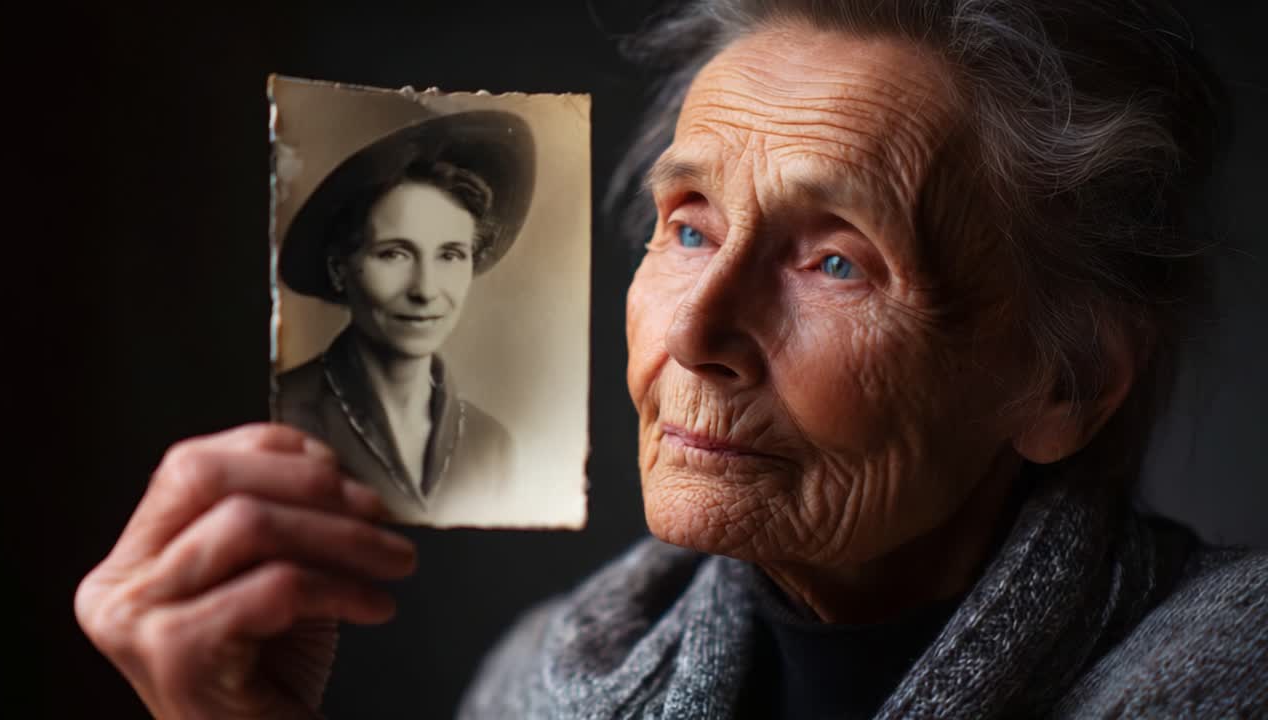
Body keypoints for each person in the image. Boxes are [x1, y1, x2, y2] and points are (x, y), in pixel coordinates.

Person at [75, 1, 1266, 718]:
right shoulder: (538, 682)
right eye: (688, 229)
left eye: (834, 262)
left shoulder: (1230, 675)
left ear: (1062, 383)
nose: (693, 335)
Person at [274, 110, 535, 523]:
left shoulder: (491, 446)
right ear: (340, 269)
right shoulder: (281, 418)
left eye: (450, 255)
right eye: (394, 254)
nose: (425, 290)